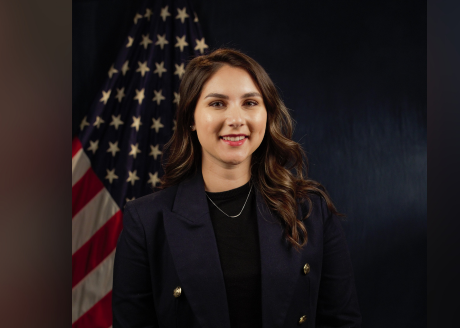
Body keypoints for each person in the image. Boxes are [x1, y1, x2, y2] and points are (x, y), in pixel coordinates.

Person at [112, 48, 362, 328]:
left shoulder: (311, 212)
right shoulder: (145, 221)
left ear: (267, 115)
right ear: (191, 118)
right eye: (217, 104)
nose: (236, 119)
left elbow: (343, 322)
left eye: (250, 103)